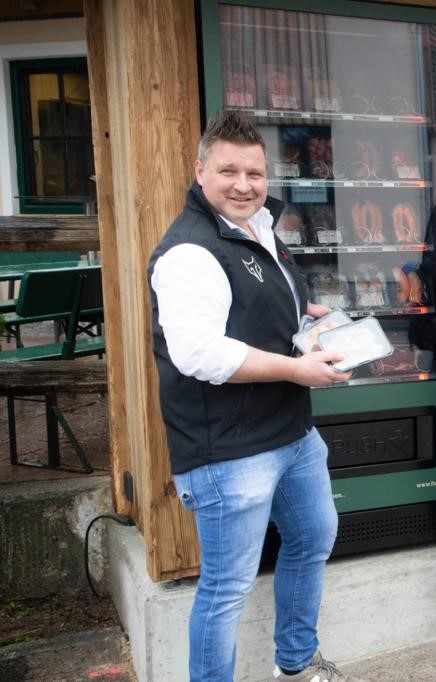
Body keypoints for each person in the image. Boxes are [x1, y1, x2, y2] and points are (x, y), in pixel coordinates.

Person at [148, 109, 351, 681]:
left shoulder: (257, 225)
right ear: (200, 171)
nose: (243, 185)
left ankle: (297, 663)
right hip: (229, 451)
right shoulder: (190, 252)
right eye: (228, 171)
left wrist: (307, 316)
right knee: (227, 588)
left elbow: (259, 302)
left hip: (291, 434)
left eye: (255, 173)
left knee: (311, 540)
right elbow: (200, 354)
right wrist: (295, 369)